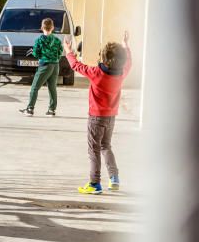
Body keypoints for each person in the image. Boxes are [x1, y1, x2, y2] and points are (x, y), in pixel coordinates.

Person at [64, 31, 132, 194]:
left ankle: (94, 183)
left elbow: (76, 65)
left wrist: (68, 50)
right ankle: (114, 178)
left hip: (96, 118)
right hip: (111, 117)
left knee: (93, 149)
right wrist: (126, 45)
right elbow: (129, 62)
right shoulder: (122, 73)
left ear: (103, 58)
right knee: (106, 146)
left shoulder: (96, 73)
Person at [20, 17, 63, 116]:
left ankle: (30, 109)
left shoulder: (39, 40)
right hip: (55, 65)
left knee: (35, 87)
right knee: (52, 88)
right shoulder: (57, 40)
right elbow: (60, 52)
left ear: (41, 27)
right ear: (52, 27)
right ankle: (52, 110)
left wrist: (41, 56)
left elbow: (35, 53)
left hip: (44, 65)